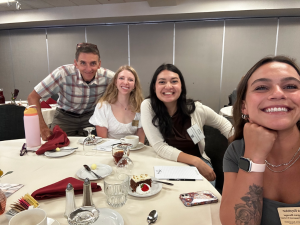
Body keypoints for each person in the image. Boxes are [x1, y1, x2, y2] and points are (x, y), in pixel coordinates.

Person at [220, 56, 300, 225]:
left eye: (291, 86)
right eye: (262, 87)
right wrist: (254, 157)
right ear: (244, 107)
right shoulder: (236, 151)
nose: (278, 93)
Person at [141, 64, 233, 184]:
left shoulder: (195, 109)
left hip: (198, 166)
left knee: (204, 200)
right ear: (154, 87)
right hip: (165, 165)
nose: (168, 86)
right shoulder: (148, 106)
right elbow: (160, 147)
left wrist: (235, 151)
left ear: (181, 86)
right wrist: (196, 161)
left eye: (174, 81)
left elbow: (225, 125)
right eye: (162, 82)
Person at [28, 43, 115, 140]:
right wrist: (42, 127)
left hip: (91, 117)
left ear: (99, 64)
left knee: (95, 148)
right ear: (76, 63)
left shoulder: (108, 77)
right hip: (65, 117)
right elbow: (33, 97)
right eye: (83, 63)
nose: (88, 69)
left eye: (93, 63)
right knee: (54, 146)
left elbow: (129, 89)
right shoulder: (62, 74)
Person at [89, 65, 145, 142]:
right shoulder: (103, 106)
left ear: (134, 85)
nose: (125, 82)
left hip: (133, 151)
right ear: (115, 82)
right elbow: (103, 141)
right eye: (121, 78)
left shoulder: (140, 107)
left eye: (130, 80)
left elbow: (140, 142)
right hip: (110, 151)